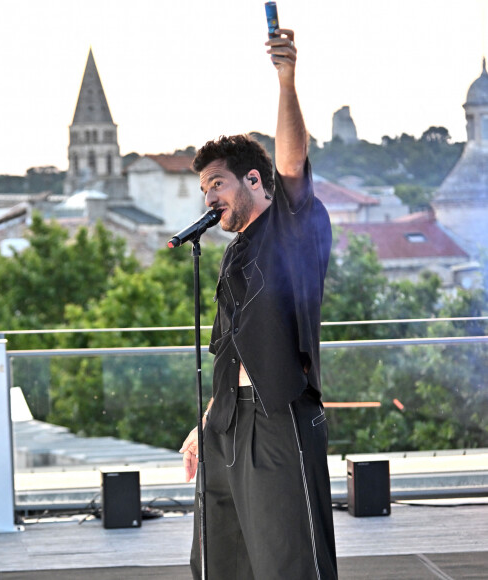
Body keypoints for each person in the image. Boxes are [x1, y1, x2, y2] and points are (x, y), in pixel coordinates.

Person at [179, 25, 338, 580]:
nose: (209, 198)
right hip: (228, 419)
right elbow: (228, 347)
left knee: (286, 557)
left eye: (216, 184)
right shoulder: (233, 255)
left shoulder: (292, 226)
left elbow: (292, 164)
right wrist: (206, 421)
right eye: (203, 190)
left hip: (277, 415)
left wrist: (286, 78)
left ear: (253, 179)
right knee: (222, 557)